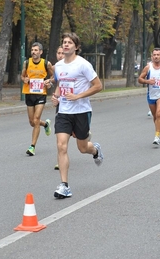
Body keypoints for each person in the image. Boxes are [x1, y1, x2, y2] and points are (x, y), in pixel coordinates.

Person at [51, 32, 103, 199]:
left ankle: (95, 150)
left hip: (81, 111)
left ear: (76, 47)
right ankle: (64, 185)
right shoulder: (58, 66)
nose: (66, 45)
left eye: (69, 43)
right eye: (64, 42)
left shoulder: (83, 65)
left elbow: (98, 85)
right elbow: (61, 84)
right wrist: (56, 96)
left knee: (82, 148)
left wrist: (78, 96)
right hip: (64, 112)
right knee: (61, 146)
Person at [21, 42, 54, 156]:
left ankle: (32, 146)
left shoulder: (46, 63)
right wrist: (24, 79)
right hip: (29, 93)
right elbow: (22, 76)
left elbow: (54, 76)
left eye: (36, 50)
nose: (33, 52)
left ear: (41, 52)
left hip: (41, 94)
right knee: (32, 122)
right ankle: (45, 124)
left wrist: (49, 81)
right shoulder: (26, 62)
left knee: (36, 119)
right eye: (32, 50)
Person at [138, 48, 160, 145]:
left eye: (158, 55)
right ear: (152, 56)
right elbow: (140, 79)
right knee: (155, 116)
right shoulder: (148, 68)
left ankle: (157, 135)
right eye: (154, 55)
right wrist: (147, 81)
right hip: (151, 95)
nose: (156, 56)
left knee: (159, 114)